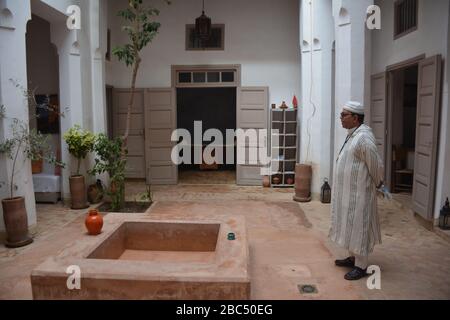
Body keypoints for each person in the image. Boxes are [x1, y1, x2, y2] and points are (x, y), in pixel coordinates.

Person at [329, 101, 384, 280]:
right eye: (341, 114)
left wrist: (379, 184)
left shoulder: (364, 138)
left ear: (355, 118)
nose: (341, 118)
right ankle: (353, 258)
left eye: (344, 115)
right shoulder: (353, 135)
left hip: (360, 193)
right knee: (349, 225)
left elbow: (375, 165)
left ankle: (361, 266)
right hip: (348, 193)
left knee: (359, 228)